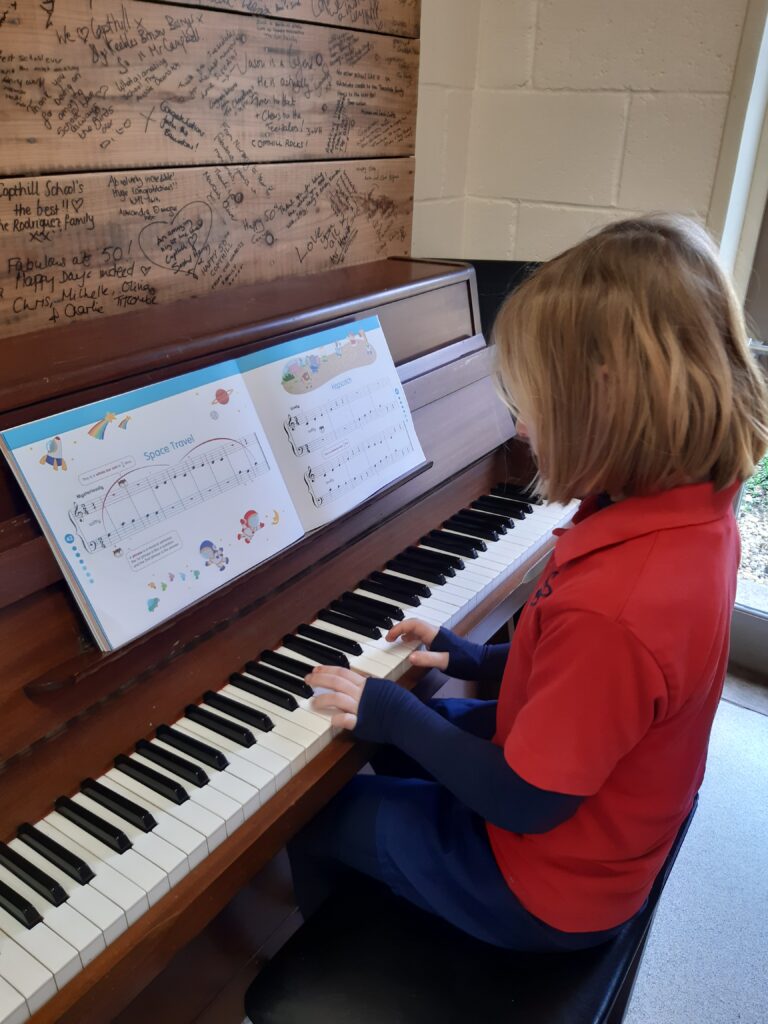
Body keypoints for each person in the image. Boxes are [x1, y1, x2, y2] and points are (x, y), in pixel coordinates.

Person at [291, 215, 768, 952]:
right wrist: (476, 660)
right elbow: (601, 688)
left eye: (531, 403)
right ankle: (400, 877)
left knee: (319, 813)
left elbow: (527, 799)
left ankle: (357, 950)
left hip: (549, 885)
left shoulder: (621, 606)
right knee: (412, 739)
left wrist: (394, 713)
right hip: (605, 816)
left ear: (604, 401)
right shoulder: (694, 511)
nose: (518, 428)